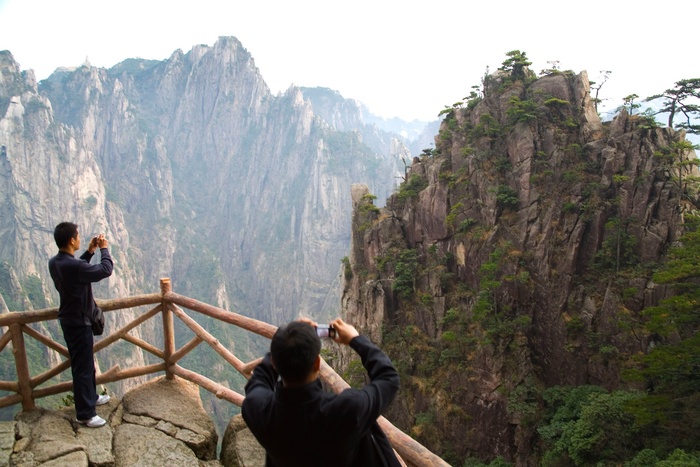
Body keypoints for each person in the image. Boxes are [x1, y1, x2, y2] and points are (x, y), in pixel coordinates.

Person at [242, 317, 402, 467]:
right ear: (317, 363)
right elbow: (389, 378)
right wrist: (355, 339)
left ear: (274, 363)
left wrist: (286, 342)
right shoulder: (347, 410)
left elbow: (259, 380)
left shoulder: (257, 411)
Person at [48, 222, 113, 428]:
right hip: (79, 322)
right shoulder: (73, 266)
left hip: (69, 319)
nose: (79, 238)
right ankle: (85, 414)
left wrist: (89, 251)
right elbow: (105, 270)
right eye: (77, 236)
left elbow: (77, 269)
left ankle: (91, 397)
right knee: (83, 368)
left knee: (84, 364)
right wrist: (104, 249)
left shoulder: (56, 262)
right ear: (71, 240)